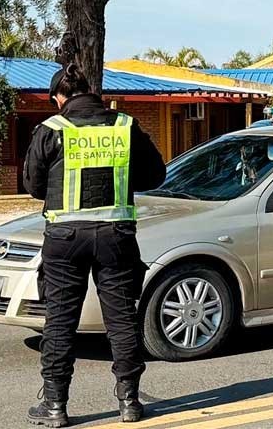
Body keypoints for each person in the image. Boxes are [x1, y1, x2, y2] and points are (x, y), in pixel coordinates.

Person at [23, 63, 166, 427]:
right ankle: (130, 402)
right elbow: (155, 175)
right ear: (92, 92)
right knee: (120, 320)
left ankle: (55, 406)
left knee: (60, 321)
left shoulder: (51, 130)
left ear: (60, 97)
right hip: (115, 237)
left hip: (65, 240)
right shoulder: (124, 126)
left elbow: (35, 186)